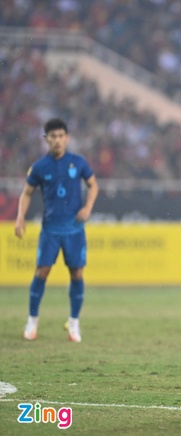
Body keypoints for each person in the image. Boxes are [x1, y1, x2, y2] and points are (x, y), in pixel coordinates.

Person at [15, 118, 98, 343]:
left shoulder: (78, 162)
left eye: (61, 136)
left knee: (77, 274)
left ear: (67, 138)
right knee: (42, 272)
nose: (58, 141)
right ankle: (32, 321)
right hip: (50, 230)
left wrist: (88, 207)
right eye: (53, 137)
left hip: (74, 230)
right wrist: (20, 218)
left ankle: (73, 323)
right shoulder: (40, 167)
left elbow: (93, 185)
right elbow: (27, 192)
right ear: (46, 139)